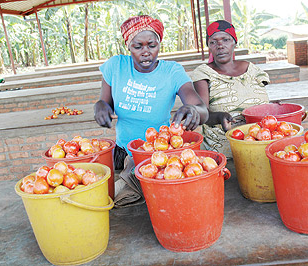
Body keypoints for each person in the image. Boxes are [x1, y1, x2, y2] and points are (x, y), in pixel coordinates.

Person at [94, 15, 209, 206]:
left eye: (152, 45)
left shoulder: (172, 72)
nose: (146, 52)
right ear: (128, 47)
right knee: (124, 203)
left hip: (160, 153)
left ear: (159, 44)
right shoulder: (116, 66)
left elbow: (201, 109)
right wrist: (100, 107)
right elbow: (105, 102)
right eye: (138, 47)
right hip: (124, 154)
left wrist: (194, 110)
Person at [189, 20, 270, 158]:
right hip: (225, 151)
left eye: (225, 40)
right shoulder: (203, 73)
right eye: (213, 42)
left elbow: (259, 99)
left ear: (234, 42)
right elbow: (203, 113)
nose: (220, 45)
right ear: (209, 46)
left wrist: (273, 107)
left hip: (260, 144)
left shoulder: (251, 69)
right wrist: (219, 116)